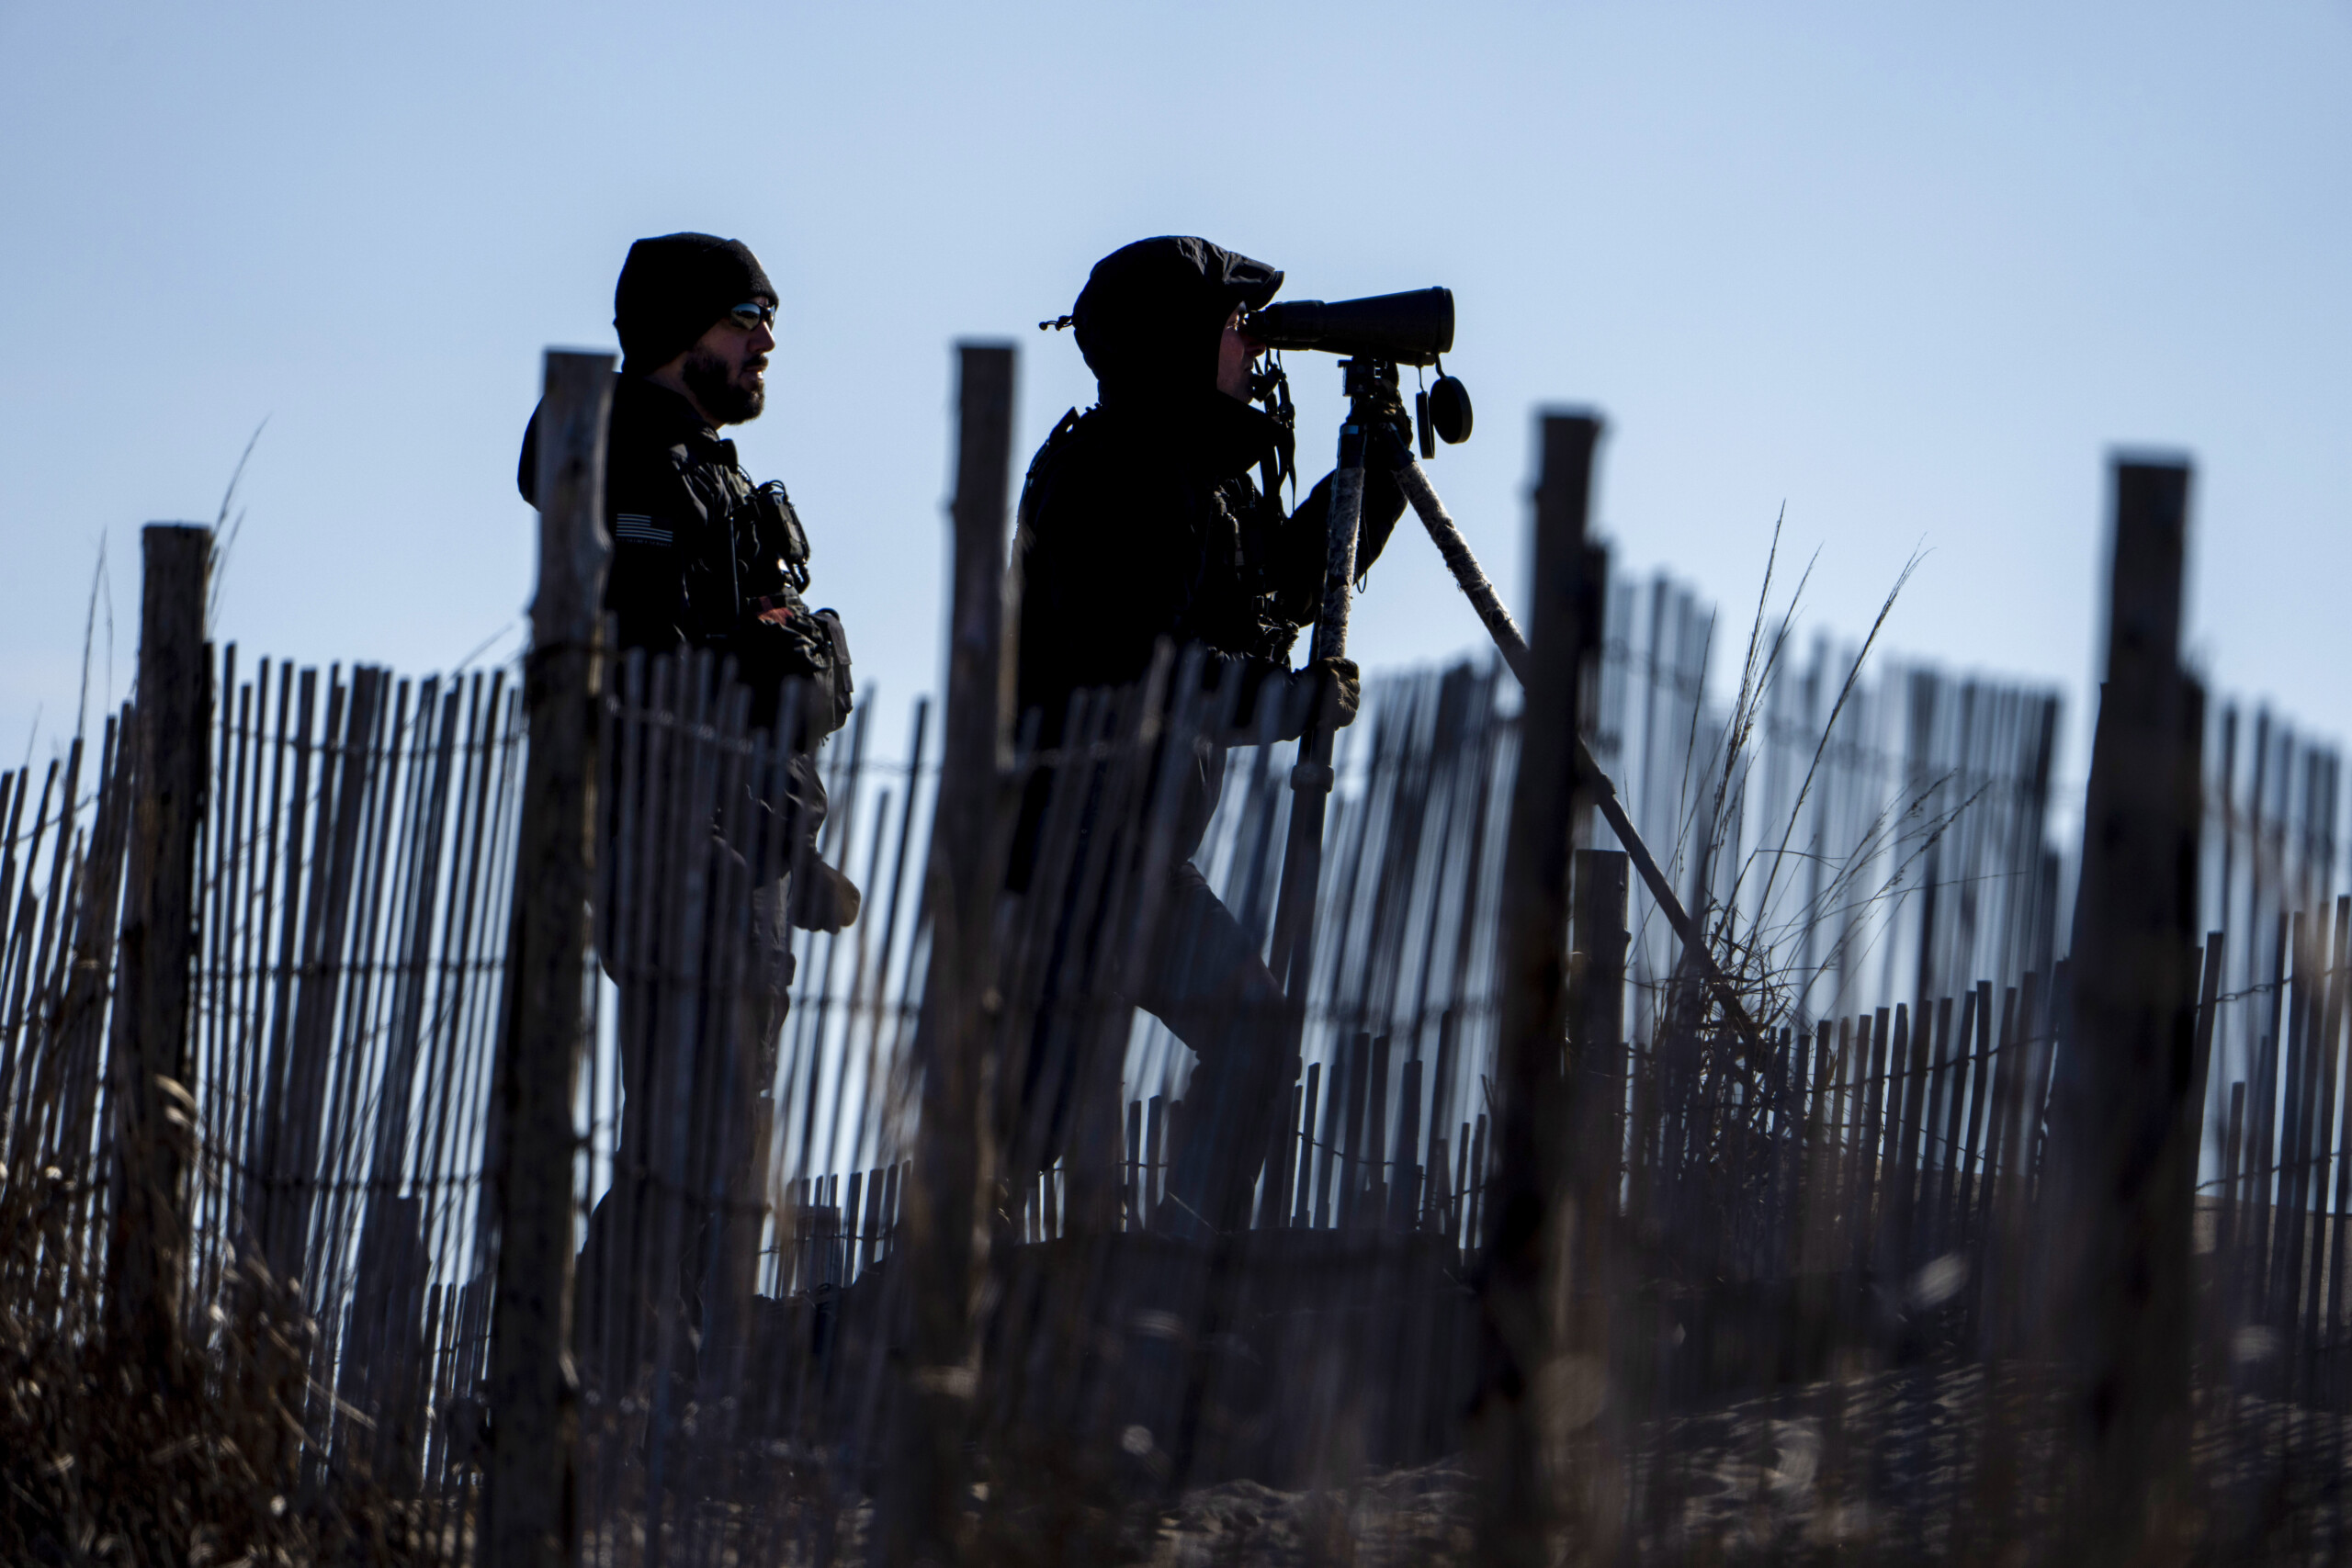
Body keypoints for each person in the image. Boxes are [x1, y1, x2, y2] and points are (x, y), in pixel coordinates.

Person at [517, 231, 859, 1390]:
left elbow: (796, 675)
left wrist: (797, 690)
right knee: (693, 1134)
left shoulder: (713, 474)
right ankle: (588, 1375)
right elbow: (645, 672)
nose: (767, 338)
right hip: (673, 843)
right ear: (679, 333)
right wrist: (766, 677)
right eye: (745, 314)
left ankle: (669, 1377)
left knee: (731, 1133)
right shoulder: (619, 461)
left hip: (754, 847)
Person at [1011, 235, 1407, 1234]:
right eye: (1235, 328)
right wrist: (1288, 705)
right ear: (1176, 344)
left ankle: (1180, 1258)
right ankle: (907, 1332)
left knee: (1232, 1037)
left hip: (1125, 855)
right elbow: (1146, 674)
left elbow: (1266, 592)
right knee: (1027, 1122)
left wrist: (1380, 473)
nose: (1253, 348)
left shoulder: (1187, 479)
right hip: (1070, 861)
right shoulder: (1113, 477)